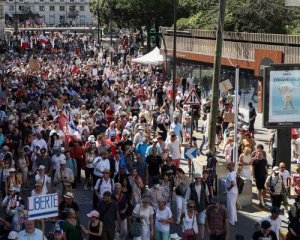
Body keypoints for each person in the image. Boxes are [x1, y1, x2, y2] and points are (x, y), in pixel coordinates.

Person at [185, 173, 209, 240]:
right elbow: (187, 197)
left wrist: (208, 204)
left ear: (201, 179)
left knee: (202, 223)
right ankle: (193, 237)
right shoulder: (191, 186)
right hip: (193, 208)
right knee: (194, 223)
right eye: (196, 178)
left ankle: (202, 238)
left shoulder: (204, 185)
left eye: (199, 178)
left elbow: (207, 195)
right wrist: (189, 205)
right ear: (194, 179)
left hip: (202, 207)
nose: (198, 179)